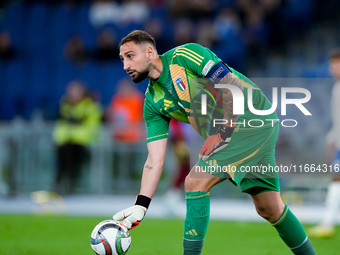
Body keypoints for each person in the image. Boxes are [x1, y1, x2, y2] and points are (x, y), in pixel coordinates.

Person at [112, 30, 316, 255]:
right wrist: (142, 204)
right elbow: (154, 158)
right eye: (122, 59)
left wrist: (223, 134)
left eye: (130, 56)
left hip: (250, 119)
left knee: (194, 182)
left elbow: (232, 86)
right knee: (270, 209)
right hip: (242, 132)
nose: (125, 65)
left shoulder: (186, 55)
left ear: (149, 52)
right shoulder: (152, 102)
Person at [308, 48, 340, 238]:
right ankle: (327, 222)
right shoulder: (337, 87)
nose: (332, 68)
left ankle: (327, 222)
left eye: (335, 63)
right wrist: (332, 138)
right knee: (336, 178)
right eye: (331, 64)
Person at [53, 81, 102, 194]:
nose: (73, 95)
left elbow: (91, 127)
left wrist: (74, 130)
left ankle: (67, 183)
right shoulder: (64, 105)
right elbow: (61, 126)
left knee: (71, 154)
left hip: (83, 143)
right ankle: (60, 183)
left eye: (76, 92)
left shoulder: (89, 106)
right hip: (65, 142)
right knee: (63, 153)